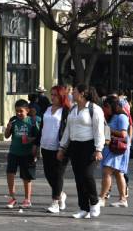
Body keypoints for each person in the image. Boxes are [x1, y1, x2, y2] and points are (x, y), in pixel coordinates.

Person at [57, 85, 105, 220]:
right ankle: (83, 208)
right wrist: (62, 147)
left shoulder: (94, 109)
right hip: (75, 146)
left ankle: (94, 202)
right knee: (79, 177)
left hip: (90, 146)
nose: (72, 93)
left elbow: (99, 130)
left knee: (87, 174)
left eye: (74, 91)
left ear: (82, 94)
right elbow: (68, 130)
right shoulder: (73, 109)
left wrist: (98, 149)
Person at [38, 85, 70, 214]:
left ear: (61, 96)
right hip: (46, 146)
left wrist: (63, 147)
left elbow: (67, 130)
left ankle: (55, 202)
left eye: (55, 95)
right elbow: (42, 127)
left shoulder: (66, 111)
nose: (52, 97)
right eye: (51, 94)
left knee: (58, 175)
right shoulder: (47, 108)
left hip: (60, 148)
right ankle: (61, 194)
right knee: (48, 174)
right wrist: (36, 144)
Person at [4, 99, 39, 209]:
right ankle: (12, 198)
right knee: (10, 173)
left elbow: (38, 138)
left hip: (27, 154)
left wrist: (30, 140)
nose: (18, 113)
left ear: (27, 110)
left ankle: (27, 199)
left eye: (21, 111)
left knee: (26, 177)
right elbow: (6, 136)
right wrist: (8, 128)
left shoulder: (32, 122)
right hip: (14, 152)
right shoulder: (13, 120)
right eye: (17, 111)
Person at [98, 95, 129, 208]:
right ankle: (122, 199)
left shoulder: (121, 117)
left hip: (117, 149)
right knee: (118, 173)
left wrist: (108, 129)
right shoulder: (113, 117)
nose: (105, 109)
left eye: (106, 106)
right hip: (112, 148)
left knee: (107, 172)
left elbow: (123, 134)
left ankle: (102, 197)